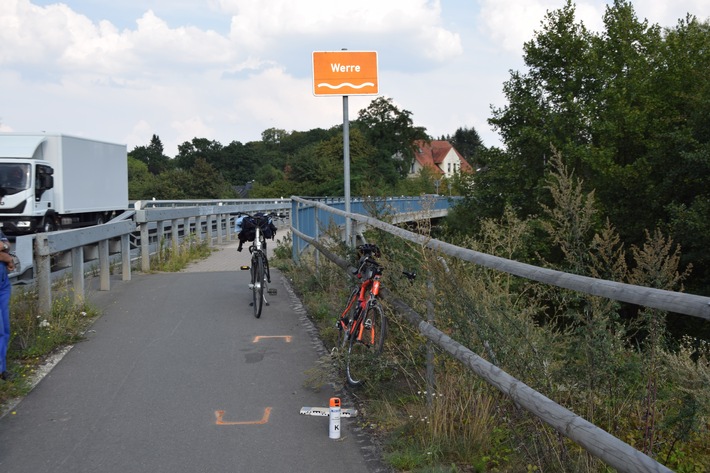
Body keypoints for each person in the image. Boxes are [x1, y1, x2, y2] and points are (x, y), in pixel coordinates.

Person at [0, 229, 15, 381]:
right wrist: (6, 256)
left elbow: (7, 244)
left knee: (4, 328)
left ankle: (2, 369)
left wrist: (5, 253)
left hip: (3, 281)